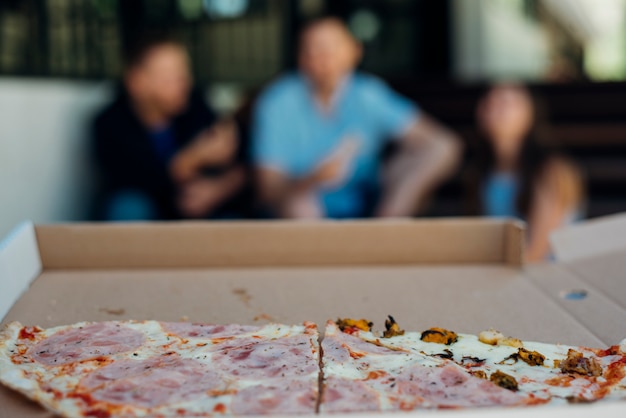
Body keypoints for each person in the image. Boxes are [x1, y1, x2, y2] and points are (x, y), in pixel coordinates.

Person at [251, 18, 460, 219]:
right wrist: (313, 179)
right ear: (301, 58)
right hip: (301, 215)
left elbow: (443, 145)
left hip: (367, 206)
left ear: (354, 52)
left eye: (331, 48)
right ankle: (323, 254)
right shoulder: (277, 102)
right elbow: (268, 190)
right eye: (312, 49)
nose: (321, 57)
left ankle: (386, 232)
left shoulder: (368, 95)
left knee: (434, 152)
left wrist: (400, 187)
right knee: (300, 204)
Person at [92, 35, 246, 220]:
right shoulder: (110, 124)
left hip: (199, 211)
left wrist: (216, 190)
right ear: (136, 82)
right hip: (149, 211)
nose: (185, 83)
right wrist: (192, 159)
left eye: (184, 75)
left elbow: (244, 165)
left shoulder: (196, 108)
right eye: (172, 77)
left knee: (231, 220)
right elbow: (133, 180)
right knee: (127, 207)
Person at [467, 84, 584, 262]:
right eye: (489, 101)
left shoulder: (552, 170)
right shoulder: (480, 172)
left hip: (550, 280)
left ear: (531, 114)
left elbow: (537, 250)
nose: (495, 106)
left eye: (507, 102)